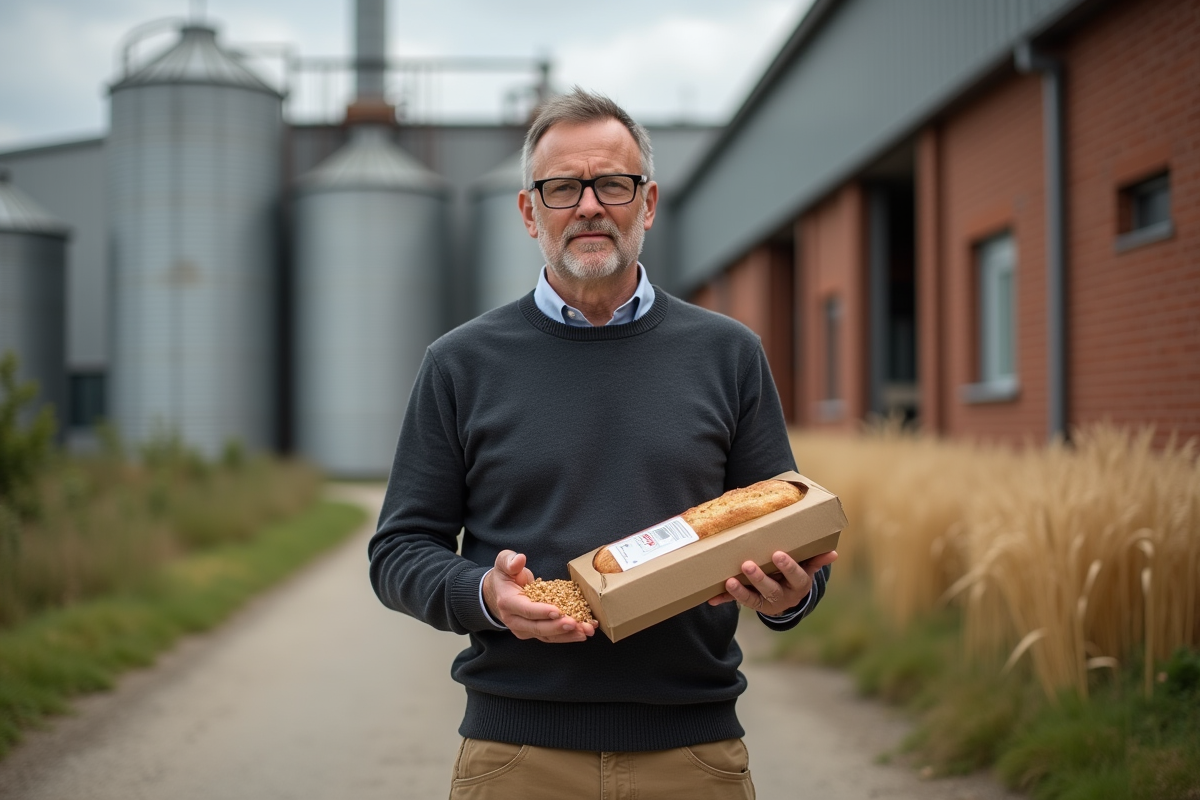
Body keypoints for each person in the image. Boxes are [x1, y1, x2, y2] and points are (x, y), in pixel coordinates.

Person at [369, 88, 837, 800]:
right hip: (517, 756)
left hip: (693, 755)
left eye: (611, 183)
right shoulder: (461, 363)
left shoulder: (728, 354)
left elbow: (787, 525)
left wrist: (787, 593)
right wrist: (485, 595)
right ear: (531, 213)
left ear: (646, 204)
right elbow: (399, 550)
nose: (589, 205)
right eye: (563, 188)